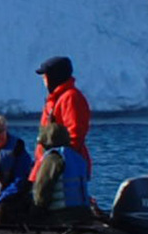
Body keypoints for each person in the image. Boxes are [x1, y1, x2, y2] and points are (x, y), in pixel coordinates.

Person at [32, 56, 98, 222]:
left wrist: (60, 161)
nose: (43, 80)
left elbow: (75, 133)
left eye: (45, 76)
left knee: (60, 203)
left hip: (60, 166)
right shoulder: (54, 100)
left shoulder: (70, 98)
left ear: (54, 76)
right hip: (46, 163)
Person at [0, 114, 36, 225]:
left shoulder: (18, 150)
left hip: (14, 196)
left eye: (0, 133)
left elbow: (20, 181)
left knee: (1, 211)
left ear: (6, 131)